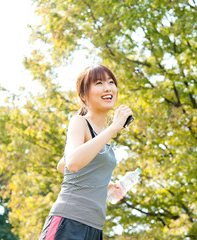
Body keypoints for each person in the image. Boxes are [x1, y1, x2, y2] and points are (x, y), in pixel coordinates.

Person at [39, 64, 133, 240]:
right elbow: (72, 163)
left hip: (94, 228)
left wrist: (102, 184)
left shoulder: (102, 134)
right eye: (98, 83)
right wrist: (114, 127)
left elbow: (62, 164)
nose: (107, 87)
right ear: (83, 96)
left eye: (111, 82)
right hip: (68, 222)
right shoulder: (80, 122)